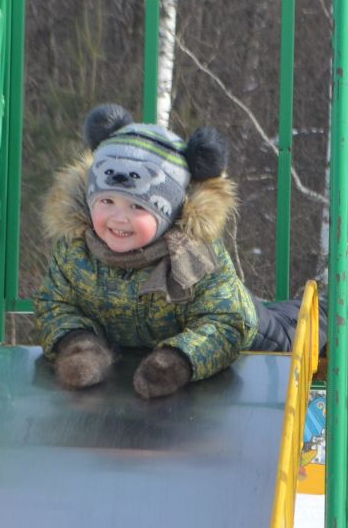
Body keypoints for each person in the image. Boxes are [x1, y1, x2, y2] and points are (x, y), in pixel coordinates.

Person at [35, 104, 257, 399]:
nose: (118, 218)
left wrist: (179, 360)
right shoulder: (76, 248)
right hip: (121, 351)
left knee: (281, 327)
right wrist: (78, 342)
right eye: (106, 201)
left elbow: (229, 320)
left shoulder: (194, 255)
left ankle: (319, 313)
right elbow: (55, 304)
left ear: (169, 214)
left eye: (137, 206)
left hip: (252, 320)